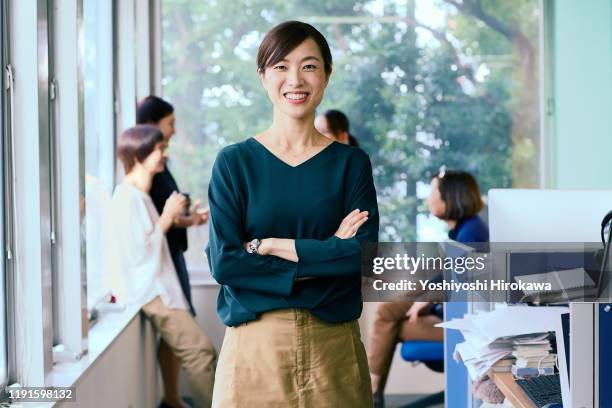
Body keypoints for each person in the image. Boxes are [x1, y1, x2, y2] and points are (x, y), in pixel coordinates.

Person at [206, 21, 379, 407]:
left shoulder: (351, 164)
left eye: (309, 66)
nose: (295, 80)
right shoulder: (235, 163)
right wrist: (328, 249)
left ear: (327, 75)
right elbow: (225, 263)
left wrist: (274, 247)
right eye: (281, 66)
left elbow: (362, 258)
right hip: (254, 350)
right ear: (263, 77)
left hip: (332, 345)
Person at [110, 125, 216, 408]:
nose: (163, 155)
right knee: (202, 353)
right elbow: (137, 255)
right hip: (154, 293)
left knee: (199, 353)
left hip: (162, 289)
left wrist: (184, 219)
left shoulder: (141, 197)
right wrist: (167, 218)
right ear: (138, 152)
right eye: (158, 149)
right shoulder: (125, 198)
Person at [367, 169, 488, 408]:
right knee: (387, 312)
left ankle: (372, 392)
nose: (428, 199)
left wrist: (429, 301)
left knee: (392, 325)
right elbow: (448, 275)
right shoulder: (465, 230)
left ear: (451, 196)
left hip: (460, 327)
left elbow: (463, 290)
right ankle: (372, 392)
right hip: (448, 313)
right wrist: (426, 297)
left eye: (433, 192)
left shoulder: (471, 233)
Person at [136, 96, 211, 408]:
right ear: (153, 125)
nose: (175, 132)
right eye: (171, 124)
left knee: (178, 339)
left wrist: (189, 218)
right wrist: (180, 218)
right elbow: (156, 221)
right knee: (195, 346)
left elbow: (166, 215)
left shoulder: (160, 166)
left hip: (171, 255)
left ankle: (171, 397)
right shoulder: (140, 183)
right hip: (160, 265)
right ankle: (173, 397)